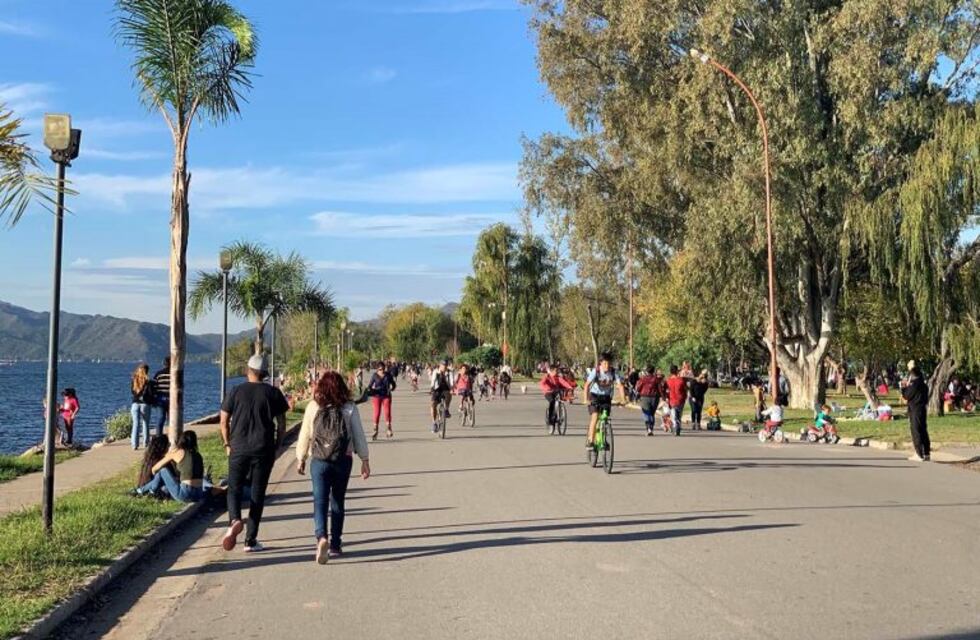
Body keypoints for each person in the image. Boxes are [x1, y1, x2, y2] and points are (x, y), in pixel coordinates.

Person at [296, 371, 371, 564]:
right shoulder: (349, 407)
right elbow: (358, 434)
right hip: (343, 459)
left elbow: (305, 434)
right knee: (338, 501)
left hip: (319, 460)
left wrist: (301, 458)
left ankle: (321, 537)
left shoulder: (314, 406)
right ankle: (336, 544)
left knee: (319, 501)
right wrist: (365, 459)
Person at [220, 354, 289, 553]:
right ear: (265, 373)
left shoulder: (236, 391)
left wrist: (227, 443)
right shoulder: (273, 393)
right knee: (257, 494)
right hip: (263, 449)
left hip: (238, 448)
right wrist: (278, 445)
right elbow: (281, 424)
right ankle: (250, 540)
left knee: (234, 488)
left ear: (248, 370)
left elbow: (223, 421)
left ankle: (234, 519)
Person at [132, 431, 205, 502]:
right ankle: (148, 490)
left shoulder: (178, 452)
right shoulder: (198, 456)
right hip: (199, 494)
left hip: (185, 493)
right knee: (165, 488)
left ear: (182, 440)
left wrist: (156, 479)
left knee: (163, 471)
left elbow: (155, 468)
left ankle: (144, 490)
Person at [584, 353, 625, 450]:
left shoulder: (614, 372)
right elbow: (587, 385)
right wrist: (586, 399)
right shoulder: (596, 371)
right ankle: (591, 440)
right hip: (594, 396)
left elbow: (620, 386)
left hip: (606, 397)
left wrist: (623, 400)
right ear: (601, 363)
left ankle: (604, 439)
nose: (607, 366)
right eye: (605, 363)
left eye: (609, 363)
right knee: (595, 416)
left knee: (605, 417)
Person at [901, 360, 931, 462]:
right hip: (922, 408)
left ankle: (919, 453)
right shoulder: (924, 385)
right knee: (923, 430)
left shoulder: (914, 384)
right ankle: (926, 453)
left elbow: (906, 395)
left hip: (915, 408)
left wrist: (903, 388)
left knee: (916, 430)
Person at [366, 363, 396, 440]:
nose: (382, 371)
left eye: (383, 369)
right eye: (380, 369)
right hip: (377, 396)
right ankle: (375, 430)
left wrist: (392, 388)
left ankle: (388, 429)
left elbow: (393, 383)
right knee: (377, 413)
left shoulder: (388, 375)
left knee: (387, 412)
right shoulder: (374, 376)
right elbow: (370, 385)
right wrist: (370, 390)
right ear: (377, 369)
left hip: (386, 396)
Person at [540, 363, 574, 430]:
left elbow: (563, 382)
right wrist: (547, 386)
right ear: (552, 371)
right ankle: (550, 419)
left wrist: (569, 387)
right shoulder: (547, 377)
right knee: (552, 401)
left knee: (560, 398)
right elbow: (542, 383)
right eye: (556, 370)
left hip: (556, 391)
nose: (557, 372)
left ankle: (559, 414)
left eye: (557, 370)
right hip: (548, 392)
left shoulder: (557, 377)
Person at [130, 363, 155, 450]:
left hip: (135, 404)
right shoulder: (149, 382)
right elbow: (151, 394)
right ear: (147, 371)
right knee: (145, 424)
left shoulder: (134, 380)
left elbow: (132, 392)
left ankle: (134, 444)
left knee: (135, 424)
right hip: (145, 404)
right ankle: (146, 443)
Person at [635, 366, 662, 436]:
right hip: (655, 398)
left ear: (646, 371)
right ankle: (651, 428)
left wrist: (637, 395)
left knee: (646, 413)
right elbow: (660, 389)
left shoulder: (643, 379)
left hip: (644, 397)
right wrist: (663, 397)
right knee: (652, 414)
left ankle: (648, 428)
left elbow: (638, 388)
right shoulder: (656, 379)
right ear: (653, 371)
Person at [429, 360, 453, 433]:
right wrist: (432, 388)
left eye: (445, 365)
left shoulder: (449, 372)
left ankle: (446, 409)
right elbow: (433, 381)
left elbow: (452, 381)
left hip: (446, 388)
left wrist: (452, 388)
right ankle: (434, 423)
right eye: (443, 365)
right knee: (433, 404)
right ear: (440, 365)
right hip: (437, 389)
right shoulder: (436, 372)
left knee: (449, 395)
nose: (444, 367)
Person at [666, 365, 687, 436]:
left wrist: (666, 398)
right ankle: (678, 426)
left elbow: (667, 391)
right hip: (680, 399)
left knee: (674, 414)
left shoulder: (668, 381)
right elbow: (685, 390)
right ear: (677, 371)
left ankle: (676, 426)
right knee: (679, 415)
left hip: (672, 399)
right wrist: (685, 397)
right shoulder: (681, 380)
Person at [153, 357, 171, 436]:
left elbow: (154, 387)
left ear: (163, 364)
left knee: (160, 418)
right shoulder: (174, 373)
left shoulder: (158, 374)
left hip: (160, 399)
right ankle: (171, 436)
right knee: (171, 420)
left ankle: (158, 436)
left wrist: (155, 397)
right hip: (171, 399)